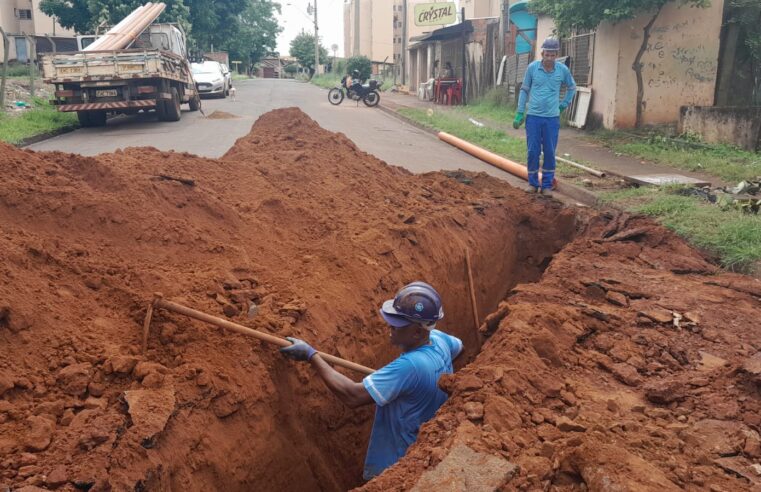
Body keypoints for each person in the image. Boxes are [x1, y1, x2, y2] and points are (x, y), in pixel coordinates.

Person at [280, 281, 464, 481]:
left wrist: (311, 355)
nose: (390, 326)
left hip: (397, 468)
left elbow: (352, 395)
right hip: (423, 452)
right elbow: (460, 348)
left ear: (418, 332)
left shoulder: (409, 367)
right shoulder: (439, 340)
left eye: (398, 324)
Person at [513, 38, 577, 197]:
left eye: (552, 55)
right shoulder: (532, 68)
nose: (549, 58)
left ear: (556, 55)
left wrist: (564, 104)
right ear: (542, 53)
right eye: (547, 54)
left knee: (549, 152)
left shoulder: (562, 70)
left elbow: (572, 87)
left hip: (551, 118)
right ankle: (533, 183)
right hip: (533, 117)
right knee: (533, 151)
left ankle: (547, 185)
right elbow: (524, 90)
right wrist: (520, 112)